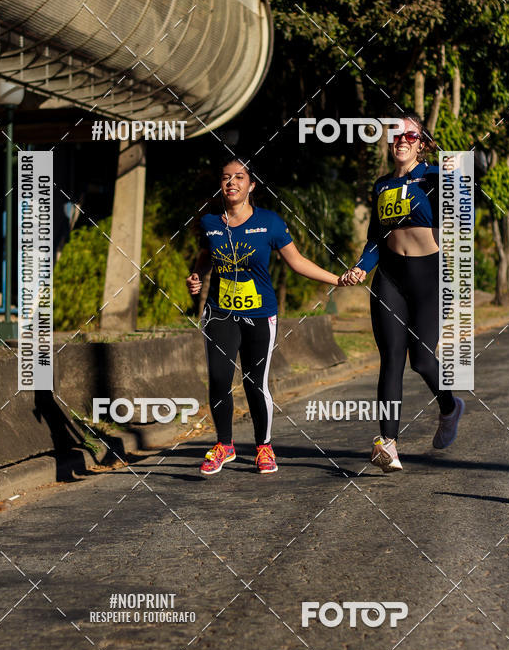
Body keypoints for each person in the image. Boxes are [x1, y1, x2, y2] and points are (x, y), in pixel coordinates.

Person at [187, 158, 344, 476]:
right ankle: (224, 445)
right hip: (220, 313)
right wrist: (196, 276)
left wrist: (336, 280)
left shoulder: (270, 223)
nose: (231, 182)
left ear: (251, 185)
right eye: (226, 177)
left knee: (254, 382)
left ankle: (264, 446)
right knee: (218, 379)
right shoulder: (210, 224)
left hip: (260, 315)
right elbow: (205, 259)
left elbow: (297, 262)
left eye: (239, 177)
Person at [341, 112, 465, 472]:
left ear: (422, 143)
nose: (401, 141)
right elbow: (376, 239)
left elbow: (460, 203)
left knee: (423, 361)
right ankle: (389, 443)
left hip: (428, 278)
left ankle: (449, 406)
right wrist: (363, 265)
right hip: (389, 278)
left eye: (410, 136)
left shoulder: (434, 177)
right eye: (396, 135)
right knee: (392, 358)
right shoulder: (380, 185)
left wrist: (453, 174)